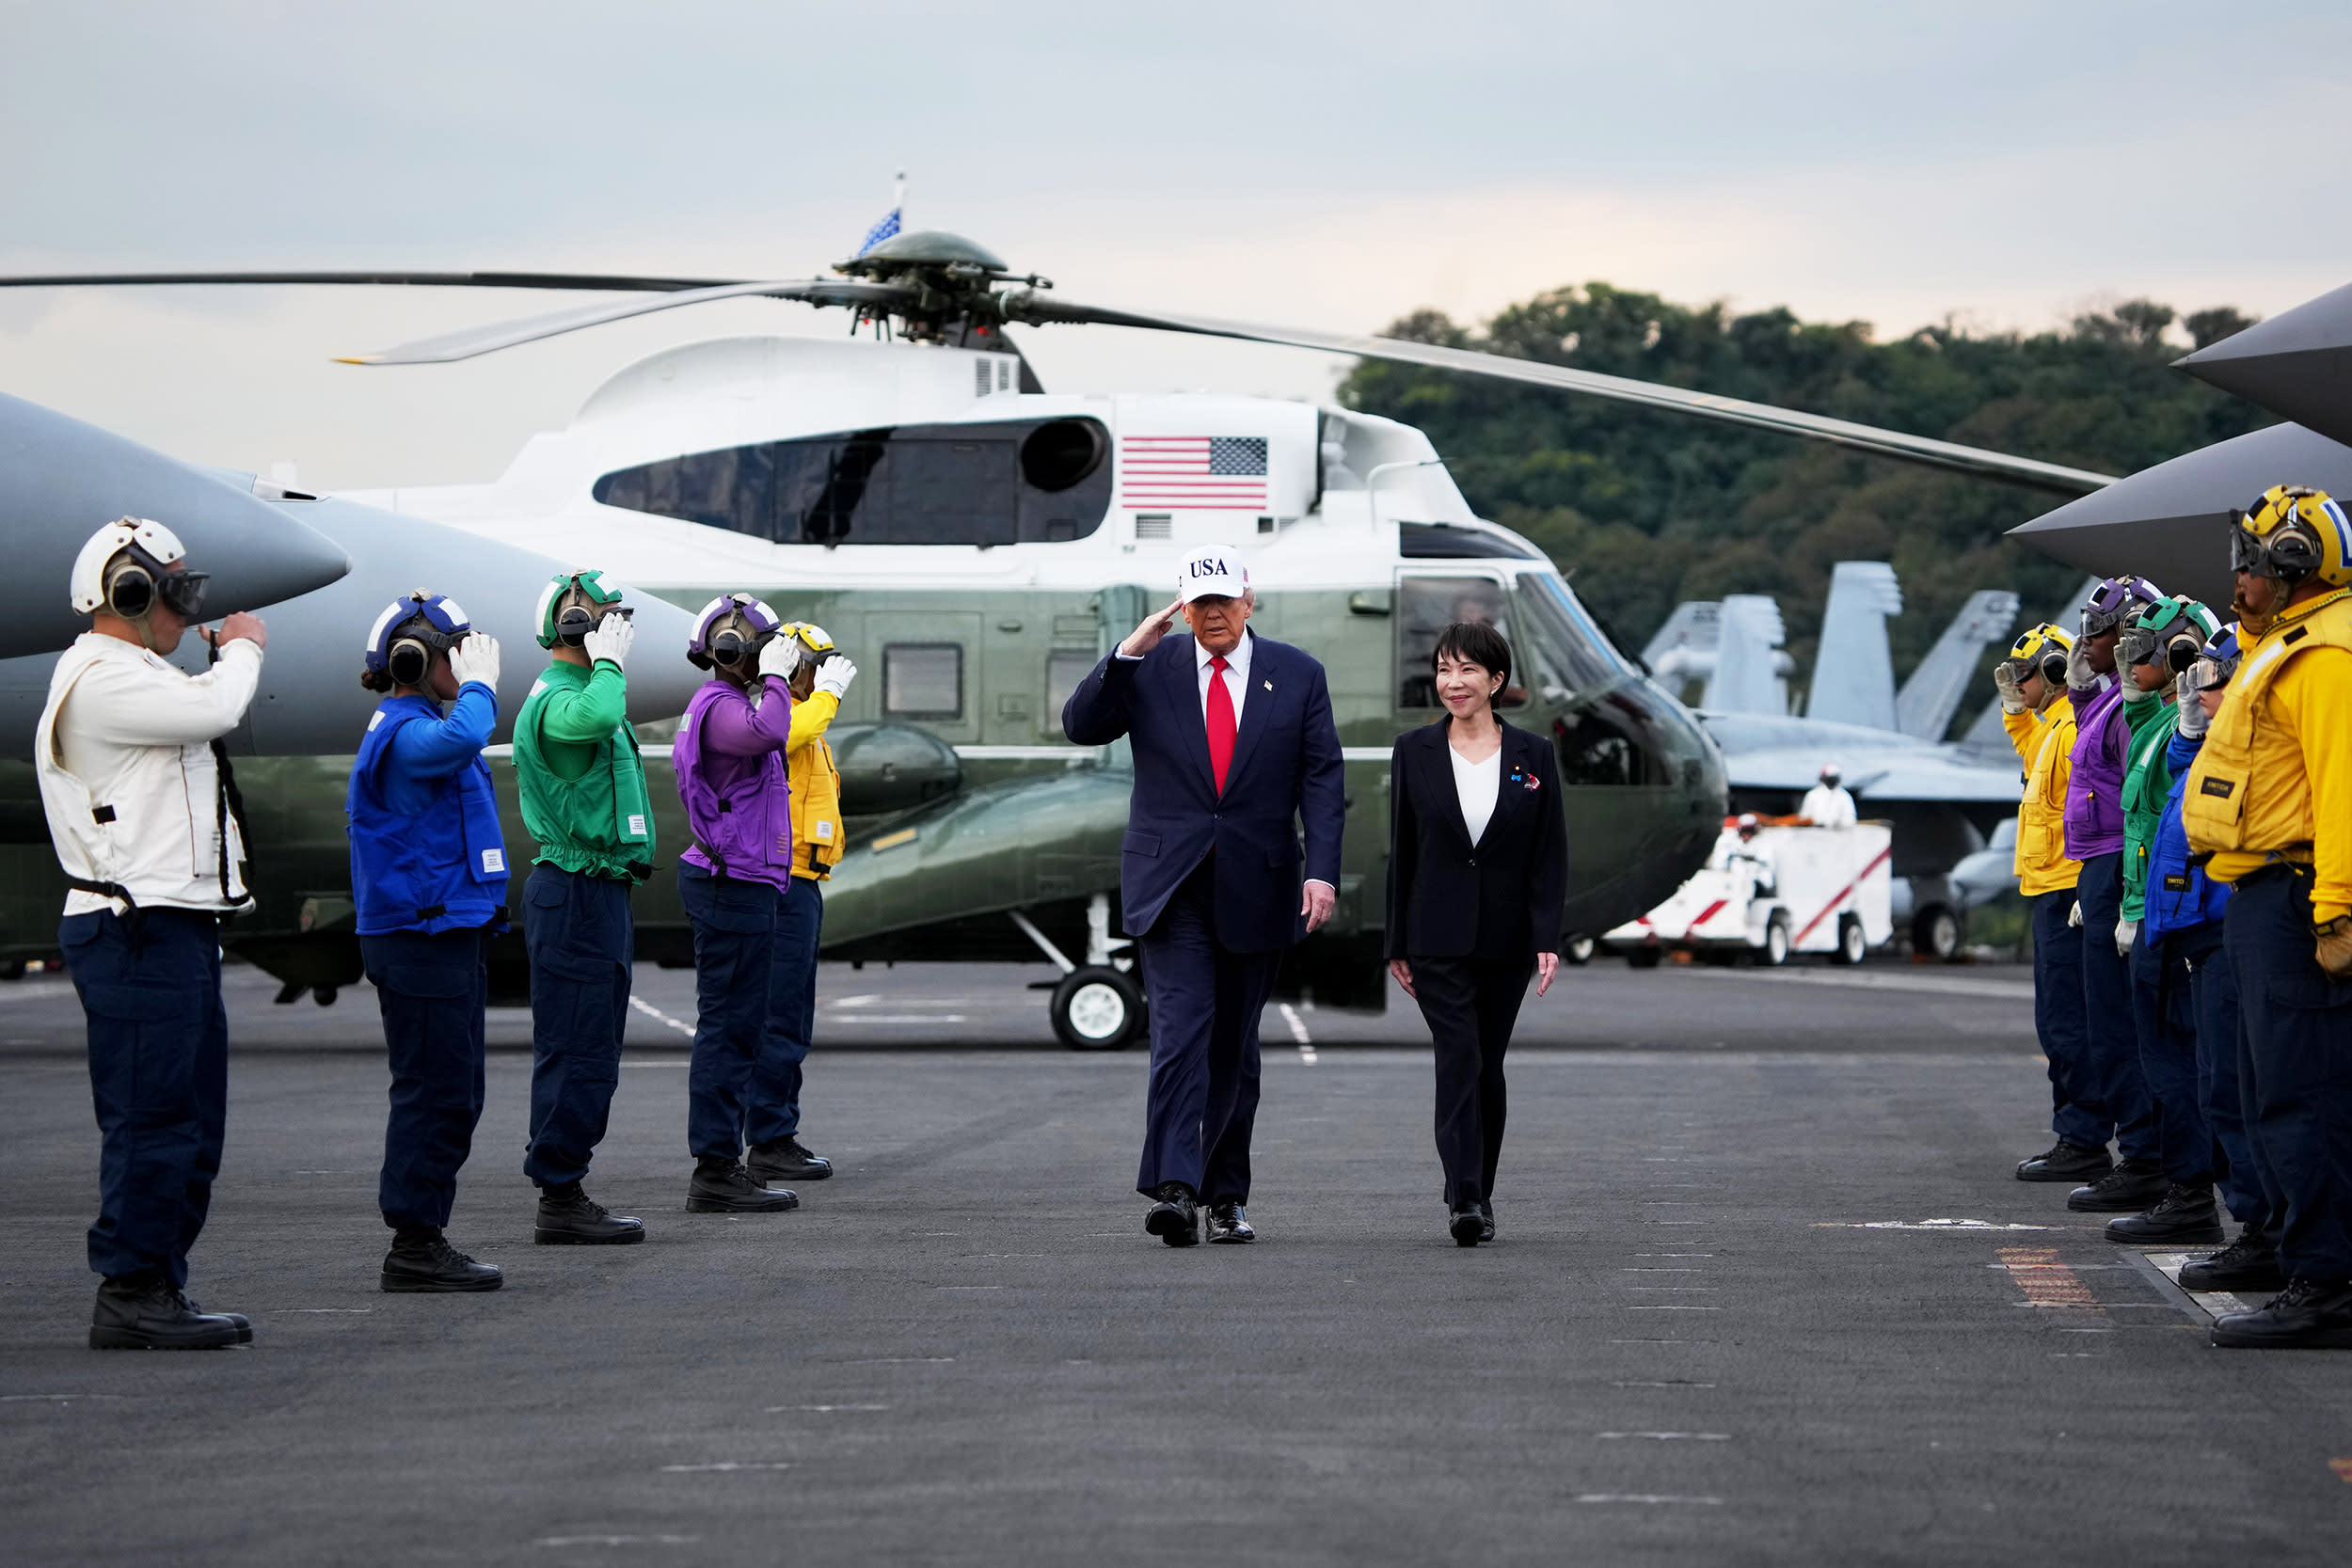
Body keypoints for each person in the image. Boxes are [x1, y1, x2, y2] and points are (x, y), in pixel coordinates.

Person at [1061, 545, 1345, 1246]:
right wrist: (1127, 650)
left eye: (1224, 600)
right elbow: (1081, 724)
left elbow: (1323, 778)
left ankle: (1225, 1195)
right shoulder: (1149, 668)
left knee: (1233, 1048)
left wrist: (1323, 870)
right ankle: (1175, 1190)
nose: (1213, 613)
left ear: (1250, 601)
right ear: (1182, 608)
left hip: (1261, 881)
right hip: (1173, 884)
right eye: (1199, 602)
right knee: (1180, 1034)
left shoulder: (1298, 673)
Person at [36, 517, 262, 1349]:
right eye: (175, 593)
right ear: (128, 595)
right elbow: (218, 706)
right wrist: (242, 647)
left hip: (173, 925)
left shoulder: (137, 675)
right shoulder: (100, 676)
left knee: (192, 1117)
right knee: (154, 1114)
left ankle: (157, 1280)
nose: (186, 608)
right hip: (134, 927)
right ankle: (131, 1288)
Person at [2185, 485, 2352, 1350]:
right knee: (2266, 1091)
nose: (2239, 576)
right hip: (2259, 900)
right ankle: (2303, 1260)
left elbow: (2343, 788)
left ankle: (2330, 1283)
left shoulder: (2325, 655)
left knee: (2303, 1094)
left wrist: (2337, 913)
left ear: (2291, 565)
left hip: (2295, 901)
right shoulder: (2282, 644)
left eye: (2253, 559)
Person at [1385, 621, 1567, 1245]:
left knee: (1487, 1065)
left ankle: (1479, 1187)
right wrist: (1395, 943)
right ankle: (1465, 1197)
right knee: (1458, 1054)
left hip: (1507, 937)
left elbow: (1548, 855)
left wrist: (1547, 937)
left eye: (1466, 670)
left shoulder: (1533, 755)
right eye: (1442, 668)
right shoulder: (1414, 750)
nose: (1452, 682)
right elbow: (1402, 851)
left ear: (1495, 680)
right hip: (1434, 934)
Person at [346, 592, 508, 1291]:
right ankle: (414, 1243)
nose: (467, 659)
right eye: (456, 648)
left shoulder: (423, 722)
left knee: (456, 1088)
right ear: (415, 658)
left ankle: (424, 1234)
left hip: (445, 930)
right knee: (432, 1090)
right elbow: (462, 740)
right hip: (418, 936)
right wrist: (480, 686)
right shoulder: (404, 729)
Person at [514, 569, 652, 1245]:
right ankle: (559, 1195)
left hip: (597, 888)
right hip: (573, 892)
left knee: (592, 1044)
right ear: (572, 626)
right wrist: (608, 662)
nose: (616, 626)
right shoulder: (561, 697)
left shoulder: (581, 687)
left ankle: (564, 1186)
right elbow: (597, 718)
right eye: (603, 617)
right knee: (577, 1047)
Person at [2162, 626, 2285, 1292]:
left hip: (2236, 917)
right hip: (2221, 920)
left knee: (2258, 1092)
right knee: (2227, 1087)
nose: (2198, 692)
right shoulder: (2219, 740)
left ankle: (2271, 1234)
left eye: (2210, 680)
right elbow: (2189, 800)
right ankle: (2261, 1229)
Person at [671, 594, 803, 1215]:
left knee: (740, 1024)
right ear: (732, 651)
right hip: (731, 884)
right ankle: (715, 1168)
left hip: (747, 881)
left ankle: (721, 1163)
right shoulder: (722, 707)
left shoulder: (729, 704)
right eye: (764, 646)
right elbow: (773, 729)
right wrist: (776, 674)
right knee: (727, 1026)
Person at [2106, 594, 2225, 1247]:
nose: (2133, 661)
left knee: (2181, 1061)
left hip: (2182, 914)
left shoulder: (2191, 727)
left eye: (2142, 653)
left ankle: (2189, 1192)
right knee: (2164, 1055)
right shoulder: (2161, 728)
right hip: (2158, 909)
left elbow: (2165, 824)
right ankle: (2186, 1188)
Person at [2057, 576, 2168, 1214]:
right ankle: (2143, 1151)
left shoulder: (2131, 711)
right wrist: (2079, 696)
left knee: (2118, 1025)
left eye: (2096, 632)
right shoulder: (2108, 703)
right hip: (2098, 868)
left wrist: (2124, 893)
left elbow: (2136, 806)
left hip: (2113, 866)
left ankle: (2145, 1155)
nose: (2086, 641)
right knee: (2106, 1022)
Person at [748, 621, 859, 1188]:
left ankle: (776, 1133)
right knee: (778, 1016)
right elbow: (785, 734)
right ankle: (769, 1138)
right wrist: (827, 696)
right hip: (780, 882)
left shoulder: (807, 721)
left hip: (801, 880)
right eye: (816, 666)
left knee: (790, 1015)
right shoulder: (778, 717)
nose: (824, 677)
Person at [1996, 623, 2102, 1184]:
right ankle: (2079, 1133)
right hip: (2049, 888)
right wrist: (2016, 709)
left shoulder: (2073, 725)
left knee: (2068, 1023)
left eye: (2024, 675)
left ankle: (2083, 1138)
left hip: (2067, 889)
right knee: (2057, 1020)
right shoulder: (2056, 726)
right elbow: (2028, 748)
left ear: (2055, 672)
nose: (2017, 684)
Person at [1800, 765, 1857, 829]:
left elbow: (1850, 819)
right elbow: (1804, 816)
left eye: (1833, 778)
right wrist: (1815, 823)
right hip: (1815, 834)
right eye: (1828, 778)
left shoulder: (1845, 796)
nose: (1830, 781)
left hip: (1837, 835)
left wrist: (1837, 824)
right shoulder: (1812, 795)